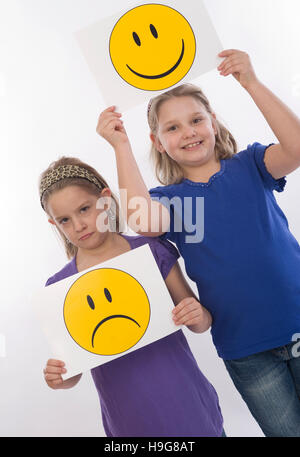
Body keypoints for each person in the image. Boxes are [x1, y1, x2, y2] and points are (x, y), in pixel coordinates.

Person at [96, 49, 300, 437]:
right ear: (158, 142)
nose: (187, 131)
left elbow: (296, 148)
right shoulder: (173, 202)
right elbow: (141, 218)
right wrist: (120, 146)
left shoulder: (251, 166)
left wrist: (251, 83)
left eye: (195, 120)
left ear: (213, 122)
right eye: (172, 128)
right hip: (248, 351)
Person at [40, 156, 224, 437]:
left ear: (105, 201)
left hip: (188, 406)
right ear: (54, 224)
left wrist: (197, 314)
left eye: (84, 209)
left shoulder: (150, 251)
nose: (78, 225)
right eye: (65, 219)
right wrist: (60, 377)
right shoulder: (61, 287)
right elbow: (74, 368)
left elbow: (200, 322)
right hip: (128, 421)